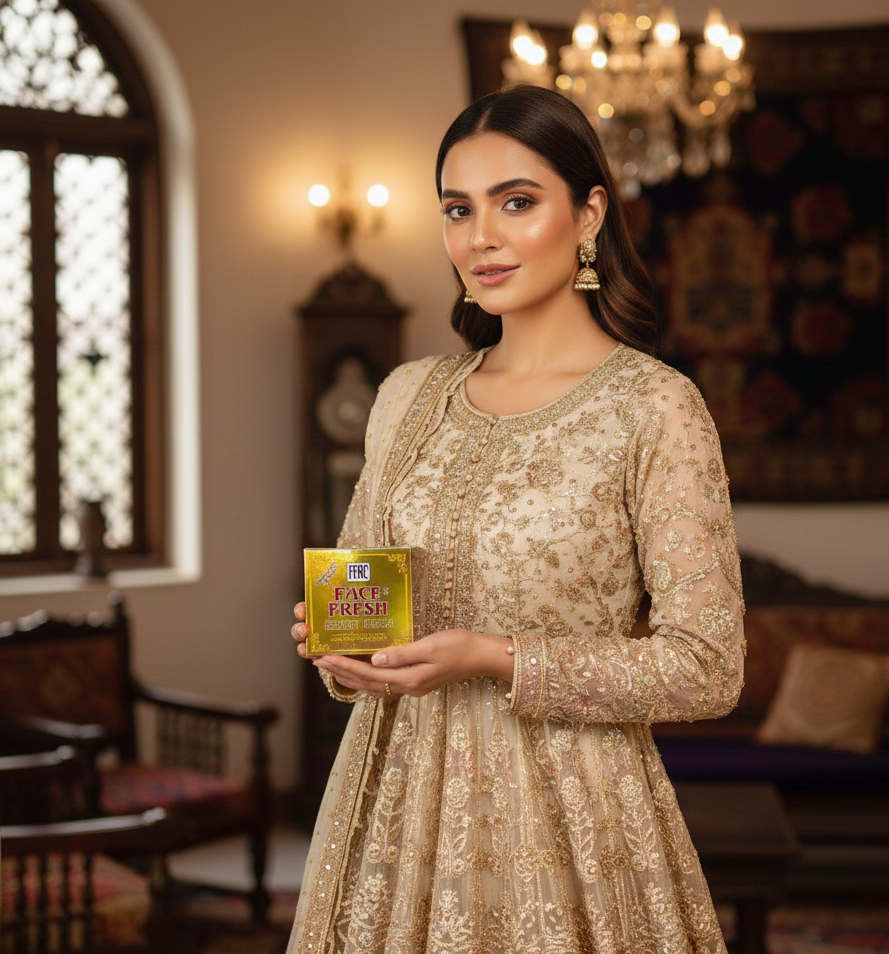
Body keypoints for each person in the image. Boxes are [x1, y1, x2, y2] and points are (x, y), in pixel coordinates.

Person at [288, 84, 745, 954]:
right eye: (459, 209)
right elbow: (360, 598)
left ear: (589, 214)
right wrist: (338, 651)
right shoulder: (404, 397)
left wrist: (494, 657)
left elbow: (708, 669)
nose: (480, 237)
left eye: (517, 202)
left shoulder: (654, 409)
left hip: (573, 825)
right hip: (390, 819)